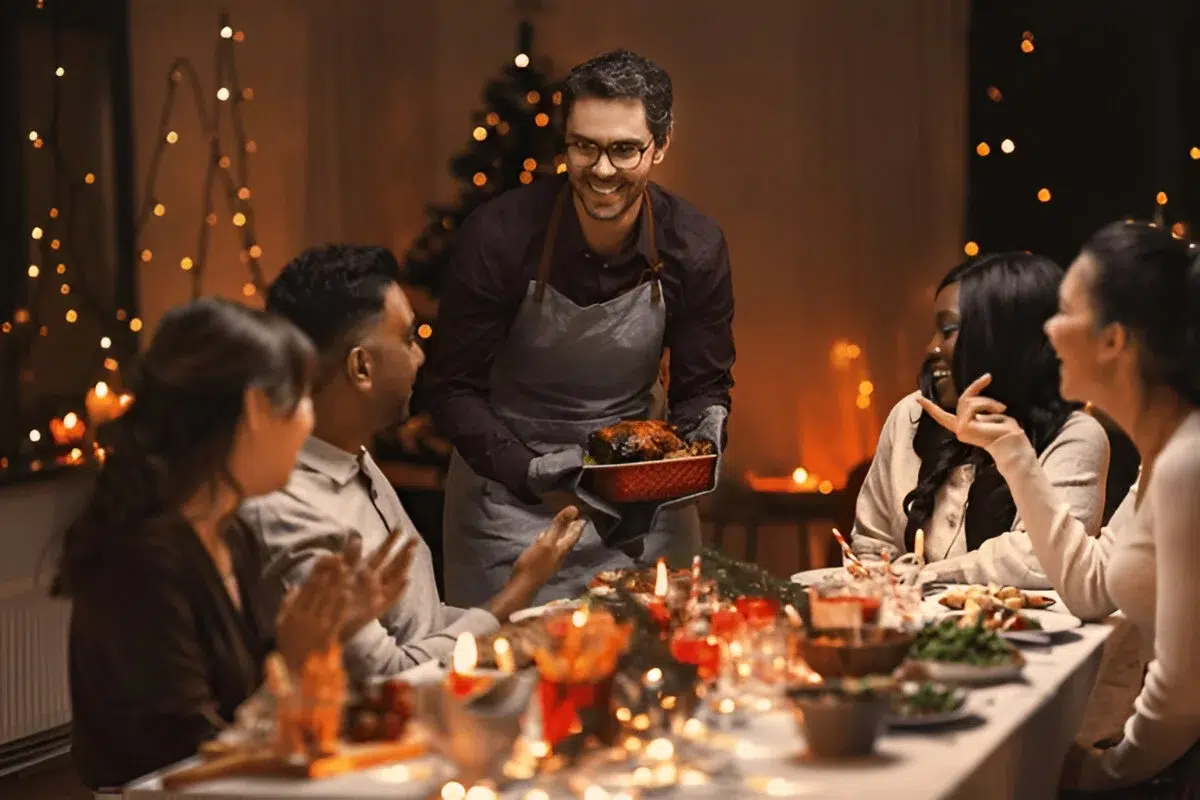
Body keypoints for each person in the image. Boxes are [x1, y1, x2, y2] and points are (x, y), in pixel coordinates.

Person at [57, 298, 414, 790]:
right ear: (254, 408)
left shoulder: (231, 532)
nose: (310, 421)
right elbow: (191, 765)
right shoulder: (141, 560)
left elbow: (251, 709)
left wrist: (328, 633)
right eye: (303, 398)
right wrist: (293, 660)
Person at [425, 49, 735, 606]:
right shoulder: (499, 236)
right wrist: (535, 473)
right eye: (584, 146)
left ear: (660, 145)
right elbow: (452, 391)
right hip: (507, 503)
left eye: (624, 149)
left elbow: (702, 388)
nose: (602, 170)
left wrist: (698, 444)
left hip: (640, 506)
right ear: (565, 141)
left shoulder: (694, 245)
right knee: (508, 683)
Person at [920, 221, 1200, 794]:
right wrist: (1013, 451)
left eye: (1065, 311)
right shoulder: (1162, 456)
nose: (1047, 330)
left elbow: (1184, 690)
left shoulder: (1186, 463)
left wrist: (1107, 771)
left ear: (1113, 340)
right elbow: (1091, 587)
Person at [243, 244, 586, 682]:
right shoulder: (288, 508)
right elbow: (387, 676)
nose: (421, 356)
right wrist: (517, 592)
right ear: (361, 367)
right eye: (408, 339)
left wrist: (527, 620)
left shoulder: (353, 457)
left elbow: (415, 629)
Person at [849, 252, 1110, 586]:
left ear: (1005, 339)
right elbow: (872, 545)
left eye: (948, 330)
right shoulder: (912, 415)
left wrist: (925, 575)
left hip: (1026, 636)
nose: (931, 348)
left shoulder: (1074, 435)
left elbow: (1042, 561)